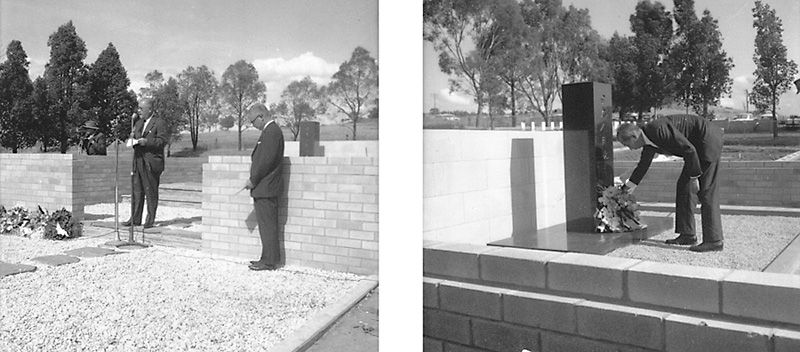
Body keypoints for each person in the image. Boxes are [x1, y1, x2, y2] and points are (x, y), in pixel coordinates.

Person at [616, 114, 724, 252]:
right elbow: (642, 167)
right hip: (695, 150)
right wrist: (626, 189)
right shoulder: (649, 141)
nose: (630, 149)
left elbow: (688, 149)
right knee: (683, 188)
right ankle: (687, 234)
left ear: (634, 137)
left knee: (706, 191)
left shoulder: (656, 129)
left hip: (707, 142)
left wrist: (694, 178)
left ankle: (714, 240)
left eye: (627, 144)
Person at [245, 103, 285, 271]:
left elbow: (265, 161)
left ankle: (269, 261)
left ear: (261, 116)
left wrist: (253, 179)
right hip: (265, 187)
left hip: (266, 187)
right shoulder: (269, 132)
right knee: (265, 225)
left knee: (268, 225)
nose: (253, 125)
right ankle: (266, 257)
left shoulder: (271, 133)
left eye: (253, 121)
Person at [122, 98, 167, 229]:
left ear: (150, 109)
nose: (139, 111)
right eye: (139, 108)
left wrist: (147, 142)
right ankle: (135, 218)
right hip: (138, 161)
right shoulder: (138, 123)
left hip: (151, 162)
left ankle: (150, 219)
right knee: (136, 190)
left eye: (141, 108)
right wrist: (132, 139)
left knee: (150, 191)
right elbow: (134, 137)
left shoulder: (159, 123)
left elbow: (162, 141)